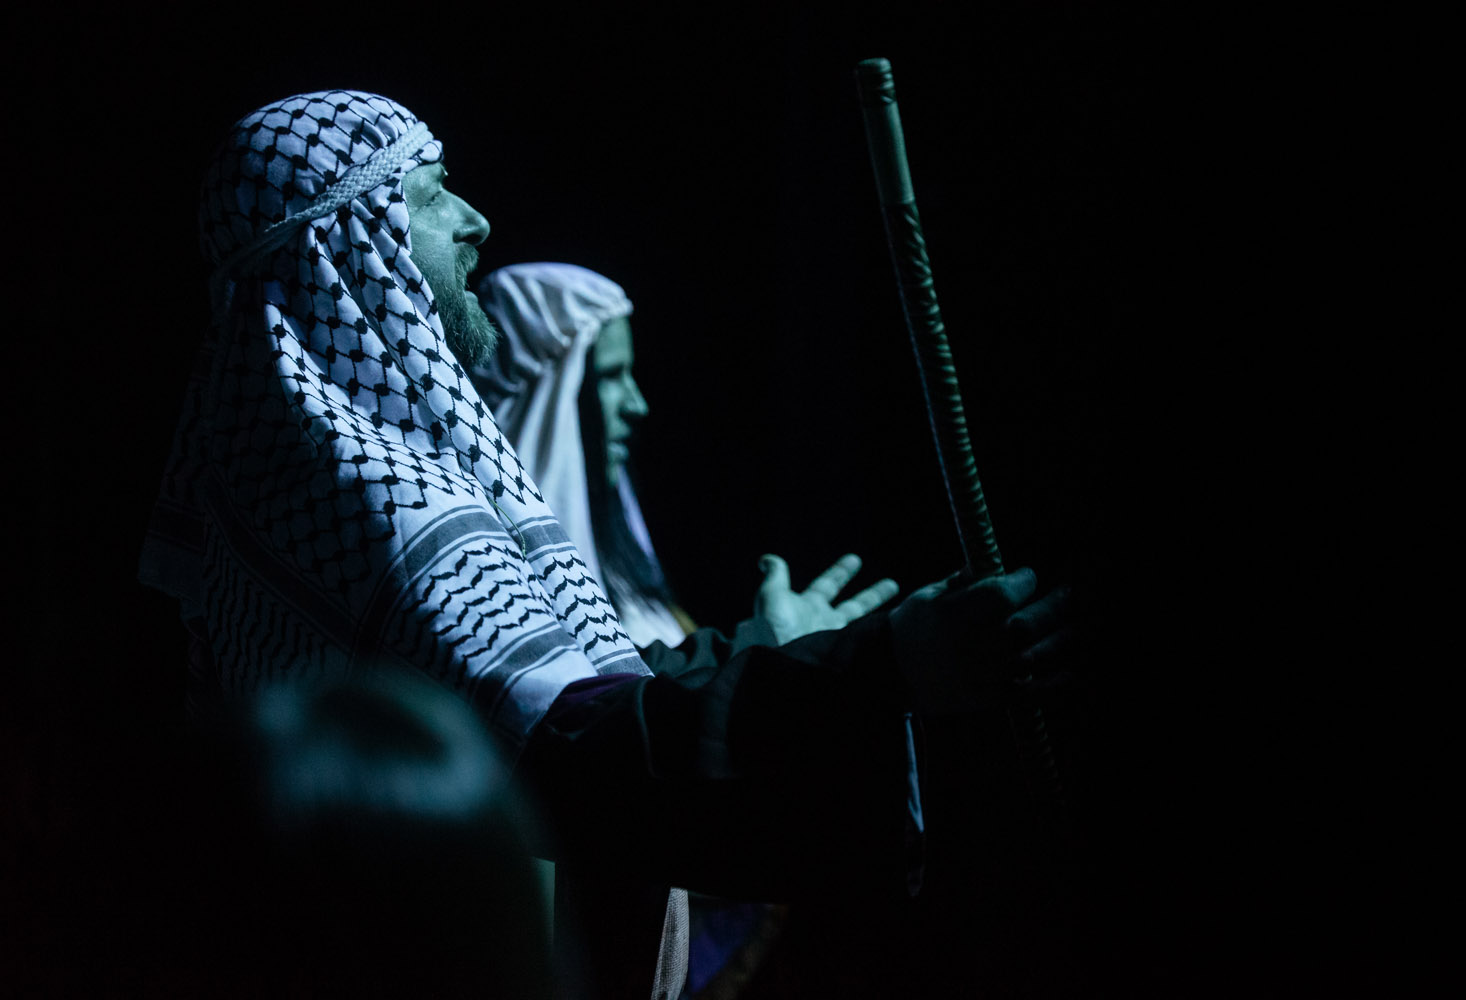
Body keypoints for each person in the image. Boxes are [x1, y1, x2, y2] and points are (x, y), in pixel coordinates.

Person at [142, 90, 1070, 999]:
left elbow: (556, 708)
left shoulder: (295, 488)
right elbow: (571, 755)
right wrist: (883, 668)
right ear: (348, 243)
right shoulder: (372, 494)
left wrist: (775, 655)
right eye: (430, 193)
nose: (475, 220)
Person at [472, 261, 904, 996]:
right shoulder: (499, 600)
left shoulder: (623, 571)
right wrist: (780, 660)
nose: (637, 404)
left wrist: (778, 656)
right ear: (554, 388)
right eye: (610, 377)